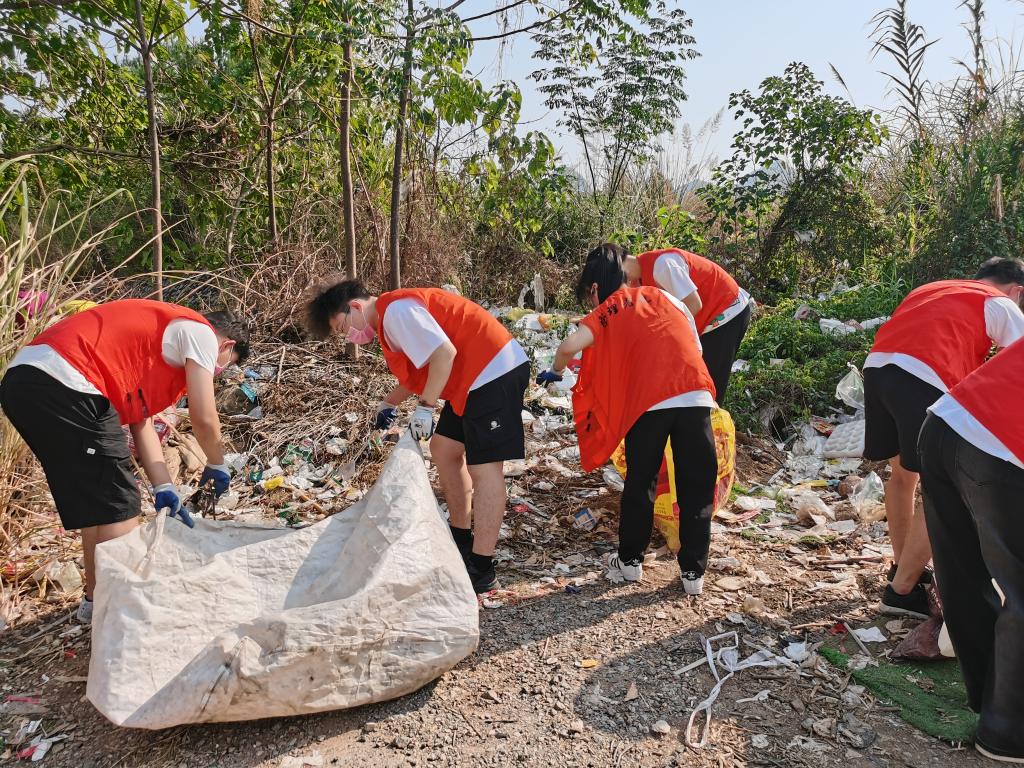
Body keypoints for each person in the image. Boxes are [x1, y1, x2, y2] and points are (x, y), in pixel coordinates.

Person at [0, 299, 250, 622]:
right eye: (224, 365)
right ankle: (125, 615)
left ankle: (95, 603)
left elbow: (140, 420)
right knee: (121, 501)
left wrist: (165, 487)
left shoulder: (152, 349)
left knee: (100, 502)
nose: (216, 372)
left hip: (24, 381)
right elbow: (204, 417)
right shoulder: (201, 333)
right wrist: (218, 463)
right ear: (227, 345)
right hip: (67, 379)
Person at [304, 280, 530, 594]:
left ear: (354, 307)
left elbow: (444, 354)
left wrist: (426, 407)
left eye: (343, 328)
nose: (349, 336)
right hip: (471, 379)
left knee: (485, 468)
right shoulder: (389, 318)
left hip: (493, 371)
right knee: (443, 448)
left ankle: (482, 567)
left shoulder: (396, 312)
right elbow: (418, 373)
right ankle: (460, 539)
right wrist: (388, 404)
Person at [537, 244, 718, 595]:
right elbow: (693, 347)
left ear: (594, 288)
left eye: (588, 297)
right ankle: (693, 574)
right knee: (697, 484)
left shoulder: (607, 310)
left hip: (647, 406)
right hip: (694, 395)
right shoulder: (669, 299)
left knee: (641, 482)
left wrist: (556, 372)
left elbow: (568, 347)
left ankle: (631, 563)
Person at [863, 257, 1024, 618]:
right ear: (1017, 291)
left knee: (903, 475)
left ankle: (904, 568)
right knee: (942, 486)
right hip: (926, 376)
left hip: (877, 368)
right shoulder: (1000, 303)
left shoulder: (935, 289)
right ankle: (902, 591)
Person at [917, 337, 1024, 764]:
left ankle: (987, 700)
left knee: (963, 576)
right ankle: (1007, 733)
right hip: (1000, 448)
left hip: (946, 423)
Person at [618, 245, 751, 400]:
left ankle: (714, 422)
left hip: (725, 312)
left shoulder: (663, 265)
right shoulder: (639, 279)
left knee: (707, 389)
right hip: (708, 320)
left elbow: (693, 304)